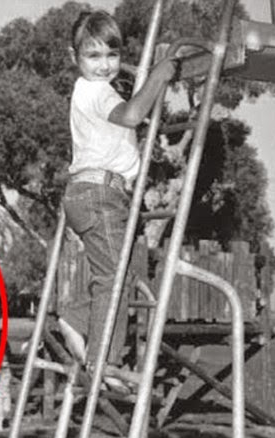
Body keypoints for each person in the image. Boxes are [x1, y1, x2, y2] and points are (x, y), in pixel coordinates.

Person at [60, 9, 176, 371]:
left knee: (114, 274)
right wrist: (159, 75)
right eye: (93, 56)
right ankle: (101, 361)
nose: (105, 65)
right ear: (74, 57)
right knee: (113, 278)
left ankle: (75, 319)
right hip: (100, 194)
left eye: (112, 55)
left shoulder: (90, 90)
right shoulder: (97, 91)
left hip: (93, 192)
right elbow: (131, 115)